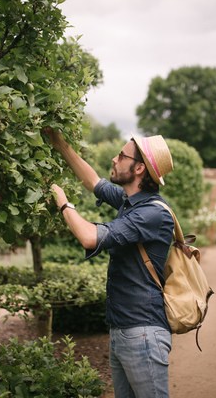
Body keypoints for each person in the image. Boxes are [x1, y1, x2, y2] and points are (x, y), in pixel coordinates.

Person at [43, 128, 175, 398]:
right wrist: (60, 143)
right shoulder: (132, 202)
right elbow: (94, 181)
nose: (114, 159)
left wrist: (63, 203)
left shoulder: (151, 213)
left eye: (121, 155)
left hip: (142, 334)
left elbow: (90, 237)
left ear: (139, 168)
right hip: (124, 330)